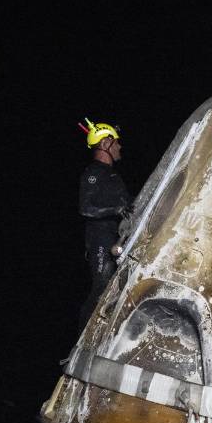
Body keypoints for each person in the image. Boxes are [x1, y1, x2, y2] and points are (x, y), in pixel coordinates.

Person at [78, 118, 131, 328]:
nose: (119, 146)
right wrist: (116, 209)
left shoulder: (113, 175)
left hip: (117, 239)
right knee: (102, 285)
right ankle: (79, 343)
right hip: (100, 240)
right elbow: (86, 208)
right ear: (105, 144)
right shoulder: (93, 172)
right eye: (116, 141)